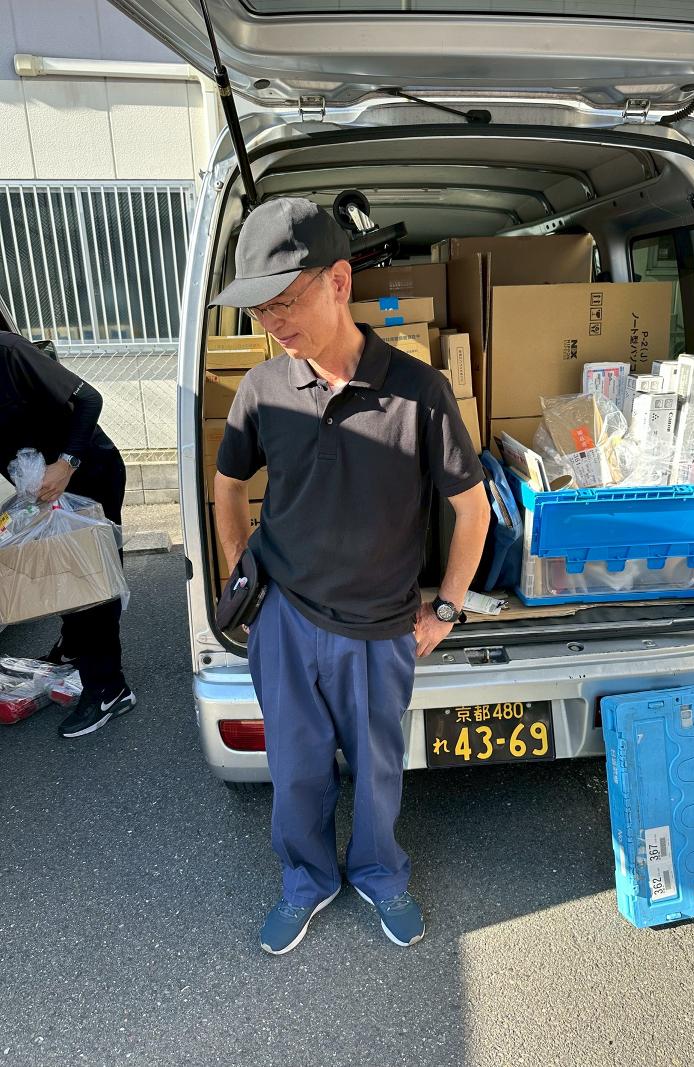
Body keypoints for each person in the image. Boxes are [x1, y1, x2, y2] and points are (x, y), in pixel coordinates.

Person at [211, 197, 490, 954]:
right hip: (285, 619)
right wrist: (243, 579)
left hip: (379, 627)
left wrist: (447, 610)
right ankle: (306, 881)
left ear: (339, 281)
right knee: (296, 769)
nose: (272, 322)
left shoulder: (418, 391)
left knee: (376, 770)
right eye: (258, 309)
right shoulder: (263, 390)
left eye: (284, 300)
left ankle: (378, 872)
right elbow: (227, 486)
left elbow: (473, 510)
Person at [0, 332, 135, 739]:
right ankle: (74, 650)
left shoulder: (8, 351)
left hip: (85, 472)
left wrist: (65, 464)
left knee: (89, 580)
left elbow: (90, 398)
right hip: (37, 488)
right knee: (59, 570)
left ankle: (109, 689)